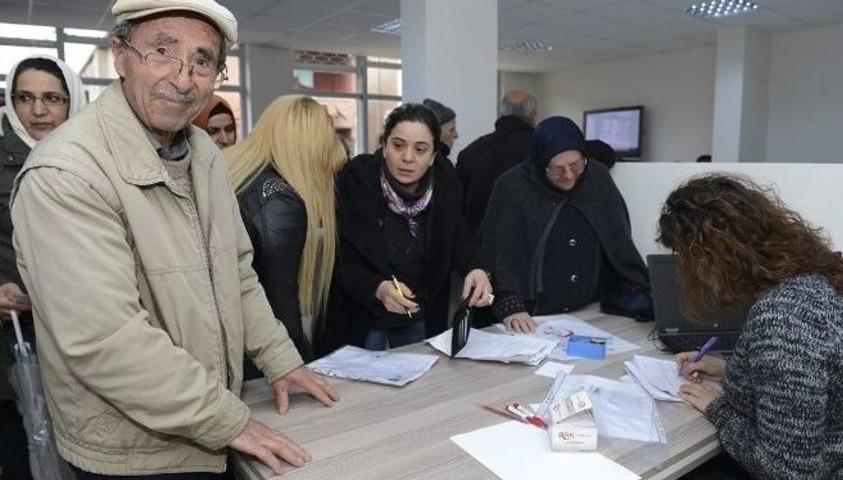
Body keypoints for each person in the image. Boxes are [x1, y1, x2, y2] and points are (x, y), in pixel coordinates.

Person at [10, 1, 339, 478]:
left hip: (205, 423)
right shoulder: (65, 172)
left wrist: (281, 360)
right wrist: (227, 420)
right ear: (120, 55)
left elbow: (238, 275)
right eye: (162, 51)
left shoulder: (203, 150)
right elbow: (105, 339)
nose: (184, 79)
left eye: (203, 61)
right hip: (132, 452)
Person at [659, 174, 843, 480]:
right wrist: (730, 370)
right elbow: (814, 382)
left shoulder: (784, 319)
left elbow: (787, 472)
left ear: (708, 257)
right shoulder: (812, 279)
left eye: (685, 258)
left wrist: (717, 408)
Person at [324, 103, 492, 351]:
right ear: (384, 145)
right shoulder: (356, 181)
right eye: (398, 145)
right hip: (363, 310)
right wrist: (377, 288)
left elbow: (457, 236)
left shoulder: (446, 180)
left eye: (421, 149)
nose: (407, 158)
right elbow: (341, 259)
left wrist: (475, 268)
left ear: (433, 155)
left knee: (419, 378)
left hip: (421, 307)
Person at [480, 116, 652, 334]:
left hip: (590, 313)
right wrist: (510, 305)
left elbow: (617, 238)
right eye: (557, 169)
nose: (569, 176)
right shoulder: (512, 186)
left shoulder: (596, 177)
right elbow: (498, 252)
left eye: (576, 165)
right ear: (541, 163)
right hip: (531, 317)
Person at [0, 54, 86, 480]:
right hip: (14, 336)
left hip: (81, 328)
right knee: (24, 446)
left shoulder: (91, 156)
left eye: (52, 98)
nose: (38, 110)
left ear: (72, 102)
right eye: (25, 98)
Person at [229, 95, 346, 365]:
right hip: (255, 355)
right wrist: (305, 367)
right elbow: (280, 310)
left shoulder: (240, 175)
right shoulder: (280, 201)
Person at [456, 90, 536, 236]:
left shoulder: (472, 151)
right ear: (533, 116)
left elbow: (458, 204)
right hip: (526, 241)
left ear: (500, 113)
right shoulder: (541, 149)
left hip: (478, 243)